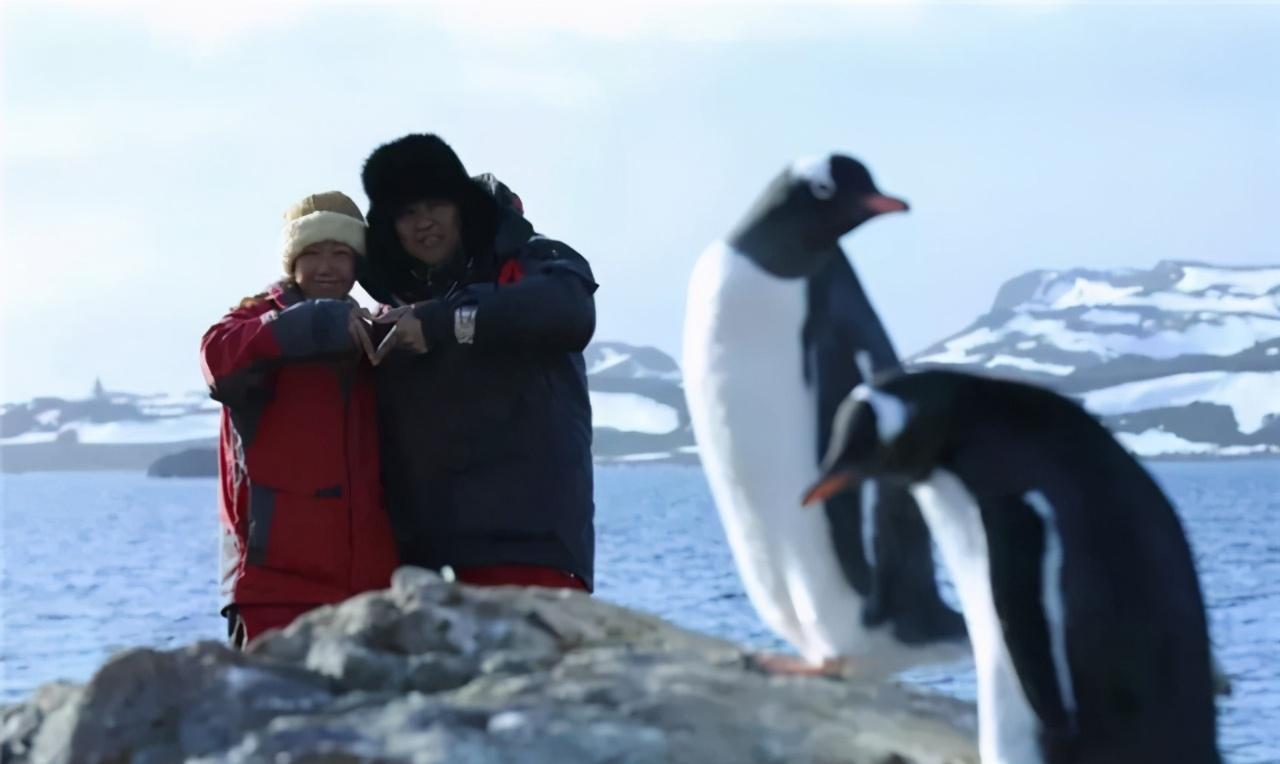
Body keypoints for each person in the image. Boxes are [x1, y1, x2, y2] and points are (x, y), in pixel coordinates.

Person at [358, 133, 597, 591]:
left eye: (435, 205)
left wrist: (443, 324)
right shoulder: (397, 310)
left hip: (530, 550)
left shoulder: (534, 263)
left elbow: (570, 311)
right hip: (424, 563)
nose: (423, 223)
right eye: (406, 213)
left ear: (461, 206)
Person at [200, 191, 399, 646]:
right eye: (312, 253)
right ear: (291, 261)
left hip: (370, 589)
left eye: (341, 253)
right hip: (273, 588)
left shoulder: (375, 332)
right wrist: (318, 323)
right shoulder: (250, 322)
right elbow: (217, 361)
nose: (326, 267)